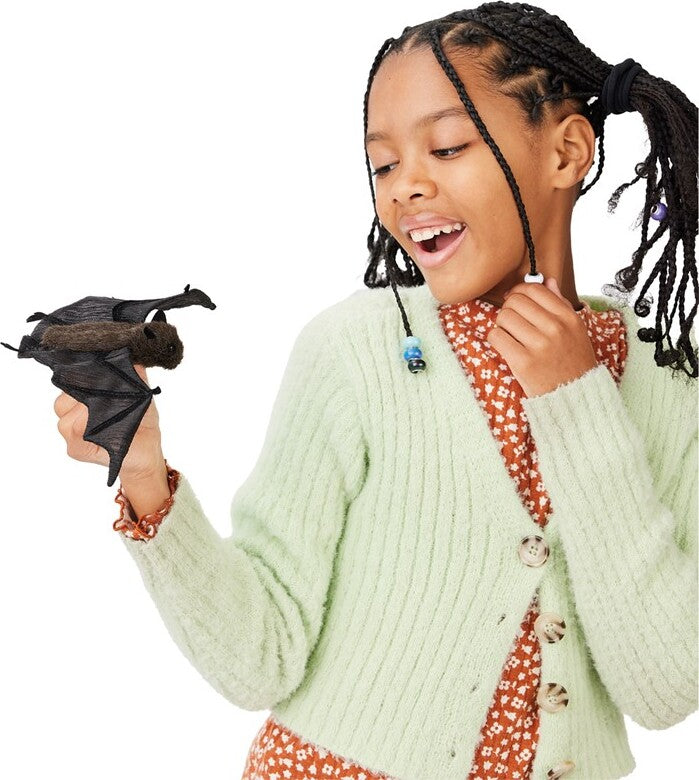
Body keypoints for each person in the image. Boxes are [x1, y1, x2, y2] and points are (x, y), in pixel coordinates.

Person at [54, 2, 697, 778]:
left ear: (565, 151)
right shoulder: (356, 354)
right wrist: (144, 476)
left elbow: (663, 690)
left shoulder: (667, 380)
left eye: (447, 147)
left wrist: (576, 403)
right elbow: (261, 661)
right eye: (383, 165)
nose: (405, 188)